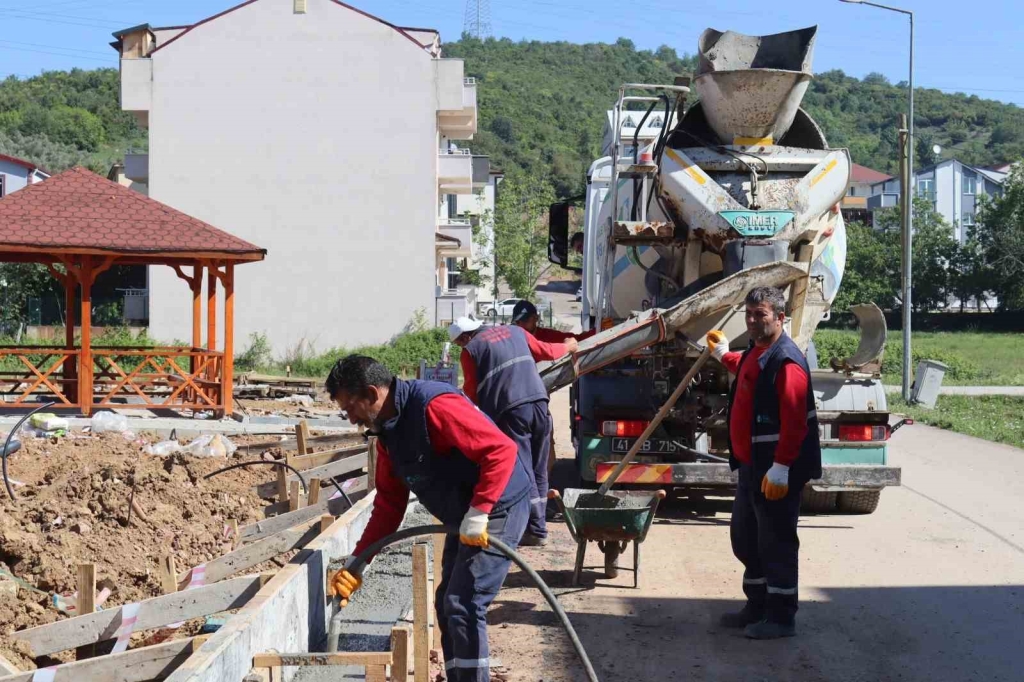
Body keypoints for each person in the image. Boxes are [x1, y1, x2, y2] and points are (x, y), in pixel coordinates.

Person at [325, 355, 531, 682]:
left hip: (497, 504)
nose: (351, 420)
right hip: (465, 512)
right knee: (446, 603)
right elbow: (390, 504)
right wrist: (357, 562)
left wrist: (480, 512)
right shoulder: (388, 432)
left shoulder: (434, 406)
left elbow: (500, 451)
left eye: (350, 408)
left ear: (371, 393)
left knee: (463, 602)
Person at [705, 286, 821, 640]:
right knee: (746, 539)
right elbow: (746, 367)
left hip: (775, 472)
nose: (753, 321)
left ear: (780, 318)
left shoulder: (786, 362)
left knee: (776, 543)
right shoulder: (758, 353)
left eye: (762, 315)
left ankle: (781, 616)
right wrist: (723, 354)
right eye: (749, 314)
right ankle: (756, 605)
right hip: (751, 468)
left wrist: (782, 467)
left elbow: (795, 421)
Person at [449, 316, 577, 546]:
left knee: (524, 471)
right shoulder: (516, 332)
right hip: (539, 403)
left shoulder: (471, 351)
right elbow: (547, 351)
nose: (462, 346)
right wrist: (569, 346)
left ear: (465, 337)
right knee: (539, 469)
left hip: (510, 412)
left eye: (460, 343)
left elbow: (471, 391)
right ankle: (538, 527)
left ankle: (535, 530)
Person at [510, 300, 596, 344]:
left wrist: (600, 329)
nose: (521, 325)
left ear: (536, 318)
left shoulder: (548, 336)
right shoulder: (510, 342)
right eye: (517, 322)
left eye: (525, 320)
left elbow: (577, 340)